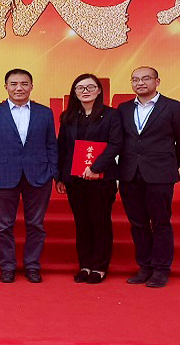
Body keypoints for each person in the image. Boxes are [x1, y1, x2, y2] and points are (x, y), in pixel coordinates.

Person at [116, 66, 180, 288]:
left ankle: (161, 269)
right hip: (130, 174)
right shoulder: (123, 109)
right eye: (135, 79)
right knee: (137, 223)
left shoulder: (174, 107)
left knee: (160, 223)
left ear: (157, 81)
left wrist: (169, 165)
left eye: (146, 78)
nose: (140, 83)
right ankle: (145, 266)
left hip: (160, 175)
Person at [0, 69, 59, 283]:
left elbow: (51, 145)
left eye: (24, 84)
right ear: (6, 86)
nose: (19, 88)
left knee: (36, 224)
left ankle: (32, 266)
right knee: (4, 225)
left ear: (31, 86)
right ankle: (8, 266)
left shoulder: (45, 113)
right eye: (14, 84)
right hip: (3, 176)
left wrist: (54, 173)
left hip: (39, 175)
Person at [56, 74, 123, 284]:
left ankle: (99, 266)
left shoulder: (111, 115)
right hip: (74, 180)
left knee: (100, 221)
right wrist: (60, 177)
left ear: (99, 90)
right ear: (74, 92)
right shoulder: (68, 117)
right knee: (82, 222)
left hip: (101, 179)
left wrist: (95, 168)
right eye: (80, 88)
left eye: (90, 87)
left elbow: (115, 144)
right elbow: (62, 147)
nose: (85, 91)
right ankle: (85, 265)